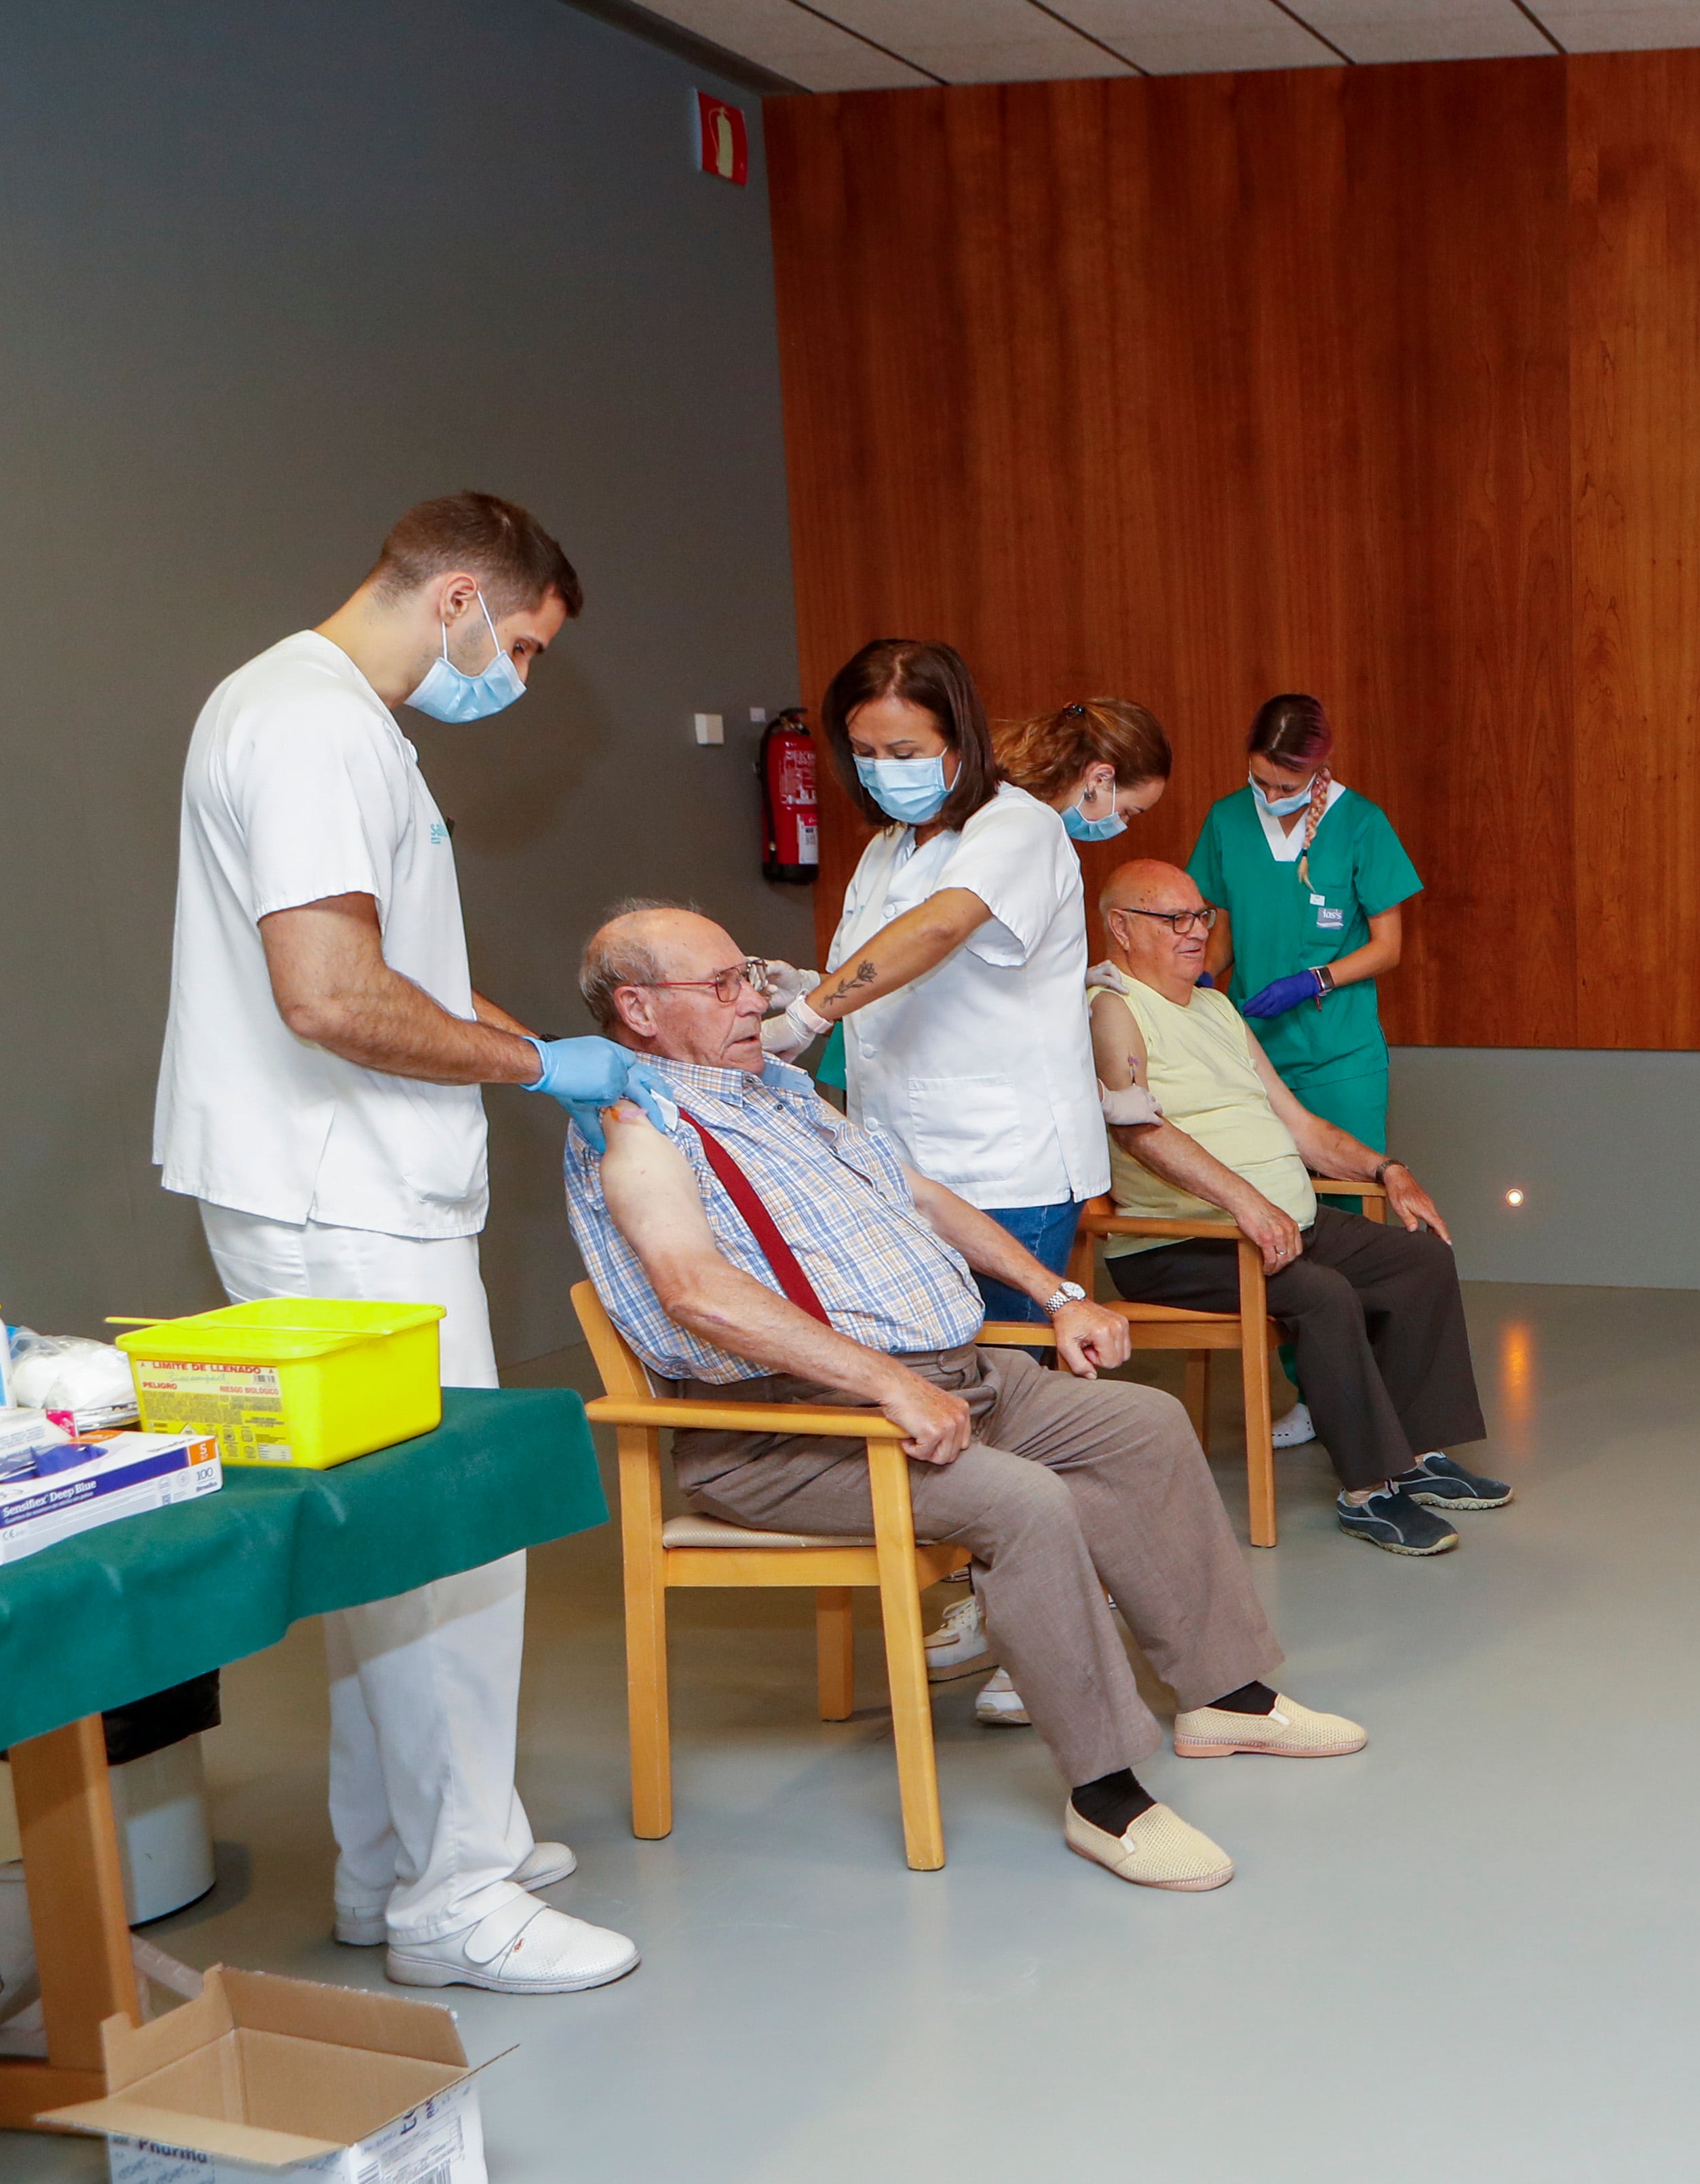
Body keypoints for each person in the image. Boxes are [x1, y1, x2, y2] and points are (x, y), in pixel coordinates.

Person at [565, 904, 1362, 1892]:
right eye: (721, 985)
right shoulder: (635, 1127)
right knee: (1026, 1503)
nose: (754, 1001)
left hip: (957, 1377)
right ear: (638, 1009)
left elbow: (922, 1196)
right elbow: (692, 1289)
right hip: (797, 1428)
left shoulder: (777, 1091)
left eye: (751, 976)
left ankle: (1224, 1698)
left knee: (1143, 1423)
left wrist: (1055, 1292)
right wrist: (890, 1384)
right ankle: (1105, 1797)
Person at [152, 491, 640, 1993]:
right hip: (337, 1191)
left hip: (347, 1180)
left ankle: (394, 1856)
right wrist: (531, 1068)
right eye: (528, 646)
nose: (522, 678)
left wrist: (524, 1037)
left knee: (389, 1545)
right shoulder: (304, 724)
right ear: (458, 602)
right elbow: (333, 995)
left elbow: (403, 972)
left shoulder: (341, 722)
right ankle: (460, 1898)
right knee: (449, 1540)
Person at [1088, 861, 1505, 1558]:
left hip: (1279, 1223)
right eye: (1174, 920)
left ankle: (1416, 1456)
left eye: (1202, 917)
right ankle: (1369, 1491)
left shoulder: (1216, 1008)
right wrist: (1246, 1202)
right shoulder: (1112, 1008)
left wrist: (1386, 1168)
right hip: (1178, 1243)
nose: (1196, 934)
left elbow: (1300, 1126)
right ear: (1121, 927)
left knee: (1420, 1258)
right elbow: (1138, 1130)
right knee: (1322, 1294)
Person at [759, 651, 1169, 1319]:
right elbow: (885, 969)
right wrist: (798, 985)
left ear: (959, 740)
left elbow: (938, 930)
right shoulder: (891, 843)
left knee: (1009, 1382)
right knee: (939, 1370)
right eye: (865, 751)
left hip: (1003, 1163)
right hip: (906, 1159)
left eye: (903, 750)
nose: (883, 769)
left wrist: (807, 1015)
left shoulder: (1018, 826)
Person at [1188, 693, 1421, 1152]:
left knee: (1348, 1203)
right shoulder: (1227, 819)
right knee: (1261, 1197)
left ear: (1319, 766)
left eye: (1288, 787)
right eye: (1260, 782)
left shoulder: (1361, 823)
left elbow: (1387, 947)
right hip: (1250, 1053)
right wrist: (1204, 976)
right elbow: (1229, 925)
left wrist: (1315, 980)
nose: (1271, 797)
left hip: (1337, 1056)